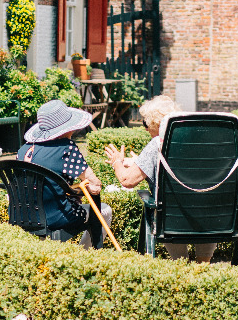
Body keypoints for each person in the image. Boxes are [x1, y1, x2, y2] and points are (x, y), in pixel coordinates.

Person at [104, 95, 217, 263]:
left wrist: (117, 162)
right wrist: (141, 162)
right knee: (201, 204)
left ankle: (181, 264)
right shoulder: (201, 142)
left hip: (173, 218)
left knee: (164, 207)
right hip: (211, 217)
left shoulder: (158, 142)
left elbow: (127, 180)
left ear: (155, 123)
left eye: (144, 123)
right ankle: (203, 264)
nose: (144, 128)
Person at [18, 100, 113, 249]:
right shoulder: (66, 148)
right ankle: (85, 254)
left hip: (22, 216)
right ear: (67, 128)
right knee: (105, 211)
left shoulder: (24, 150)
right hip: (55, 218)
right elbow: (95, 186)